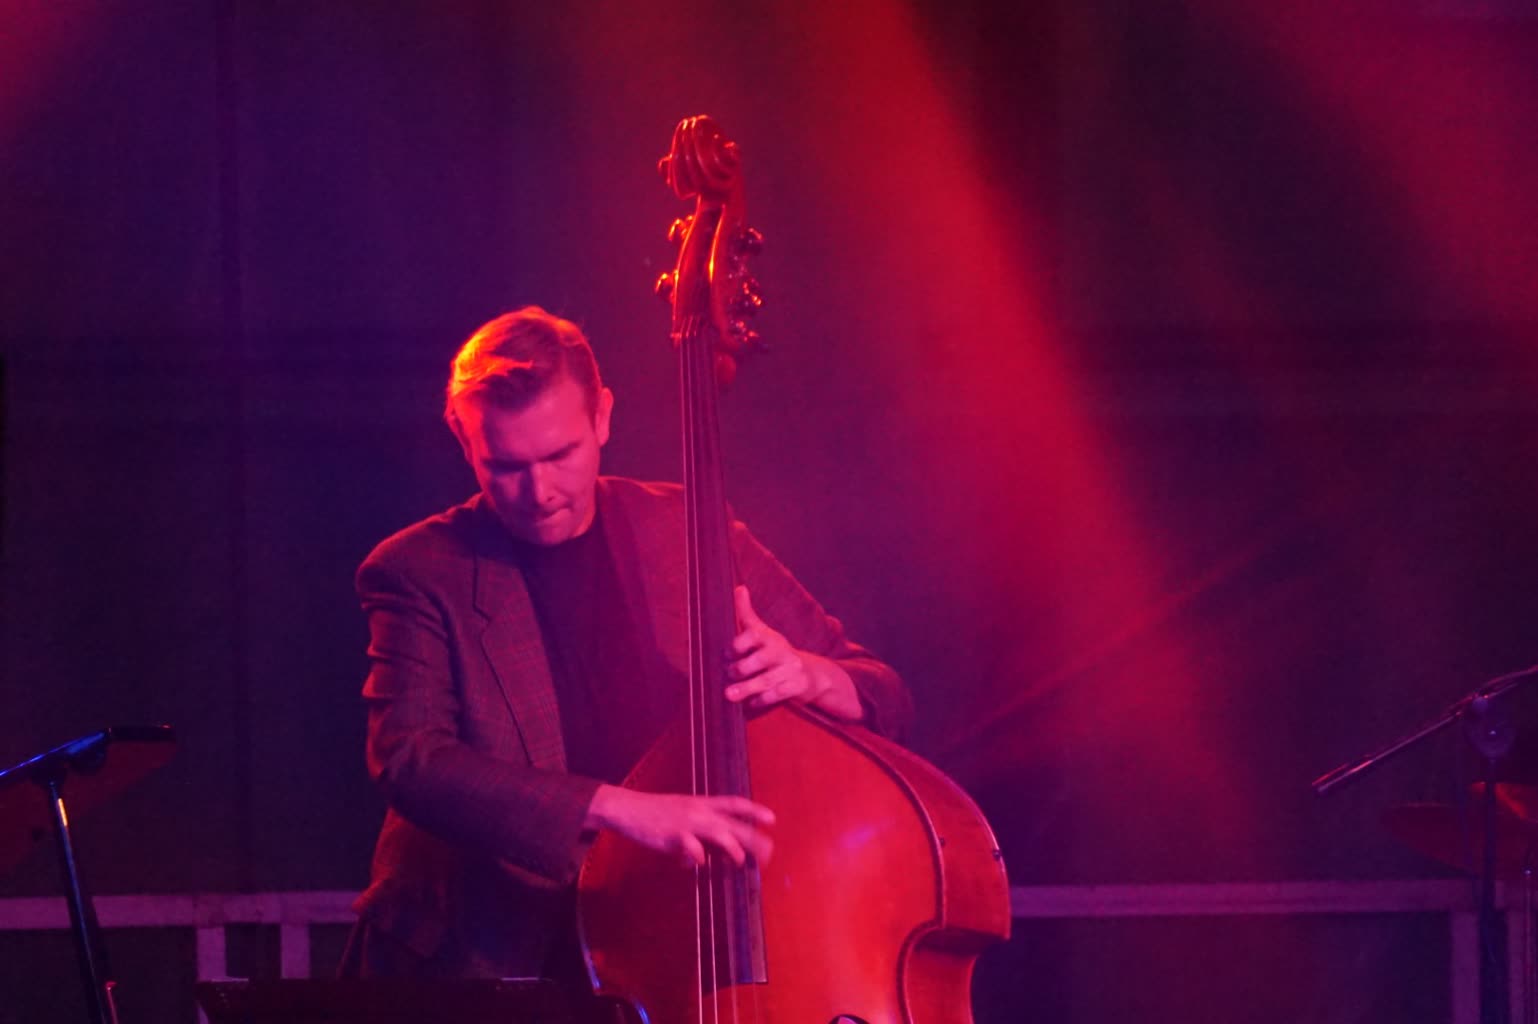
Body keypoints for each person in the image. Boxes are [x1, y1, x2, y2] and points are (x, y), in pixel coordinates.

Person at [340, 306, 911, 985]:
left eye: (561, 455)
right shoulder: (417, 571)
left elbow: (881, 690)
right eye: (506, 466)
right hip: (487, 958)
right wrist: (618, 810)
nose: (539, 492)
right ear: (464, 440)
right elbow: (412, 760)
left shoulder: (692, 531)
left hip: (667, 942)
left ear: (603, 417)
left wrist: (811, 675)